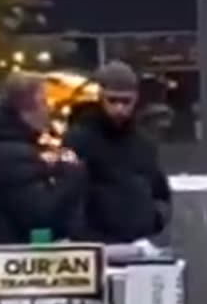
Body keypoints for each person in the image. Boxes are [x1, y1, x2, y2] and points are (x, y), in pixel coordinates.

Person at [0, 72, 85, 245]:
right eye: (44, 102)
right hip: (10, 255)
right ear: (27, 108)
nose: (48, 111)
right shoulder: (11, 156)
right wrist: (70, 176)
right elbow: (41, 217)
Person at [62, 61, 171, 244]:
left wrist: (156, 218)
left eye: (126, 101)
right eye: (112, 100)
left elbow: (159, 188)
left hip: (139, 242)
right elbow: (68, 195)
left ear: (136, 99)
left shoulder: (143, 141)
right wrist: (82, 234)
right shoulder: (79, 138)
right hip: (96, 243)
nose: (119, 108)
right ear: (100, 98)